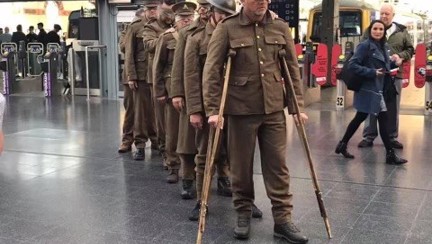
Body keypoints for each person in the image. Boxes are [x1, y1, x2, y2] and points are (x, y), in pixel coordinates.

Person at [203, 0, 308, 242]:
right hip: (240, 109)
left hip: (273, 109)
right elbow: (212, 70)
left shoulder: (280, 27)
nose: (261, 1)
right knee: (241, 166)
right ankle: (243, 212)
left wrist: (297, 106)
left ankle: (283, 220)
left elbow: (291, 68)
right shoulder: (227, 28)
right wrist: (213, 109)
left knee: (278, 167)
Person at [184, 0, 235, 221]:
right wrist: (195, 110)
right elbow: (191, 77)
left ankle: (245, 201)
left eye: (228, 15)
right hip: (208, 107)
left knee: (238, 156)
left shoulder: (239, 36)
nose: (224, 19)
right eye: (221, 14)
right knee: (205, 156)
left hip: (236, 107)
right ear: (212, 13)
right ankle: (201, 201)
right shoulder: (196, 39)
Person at [335, 20, 407, 165]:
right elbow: (353, 64)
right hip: (369, 89)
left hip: (378, 88)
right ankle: (390, 155)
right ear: (370, 30)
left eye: (381, 29)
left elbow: (383, 65)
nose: (378, 31)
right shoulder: (364, 46)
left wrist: (394, 63)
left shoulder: (383, 46)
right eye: (375, 28)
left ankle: (342, 145)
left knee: (360, 117)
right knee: (382, 119)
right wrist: (372, 72)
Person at [358, 3, 414, 150]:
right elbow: (361, 48)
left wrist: (401, 56)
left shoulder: (402, 32)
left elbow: (410, 49)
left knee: (392, 106)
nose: (383, 16)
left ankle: (391, 137)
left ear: (393, 15)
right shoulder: (371, 30)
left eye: (387, 14)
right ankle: (368, 136)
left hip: (395, 75)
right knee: (371, 104)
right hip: (374, 75)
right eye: (381, 13)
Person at [170, 0, 210, 199]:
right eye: (201, 6)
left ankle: (223, 177)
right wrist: (177, 92)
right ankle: (187, 178)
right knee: (187, 141)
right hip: (191, 92)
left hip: (216, 94)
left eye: (207, 6)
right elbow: (179, 65)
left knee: (223, 144)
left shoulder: (224, 27)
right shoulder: (188, 32)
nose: (203, 9)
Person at [153, 1, 196, 183]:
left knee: (193, 132)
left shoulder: (197, 36)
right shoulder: (167, 38)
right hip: (172, 91)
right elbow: (158, 67)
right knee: (173, 131)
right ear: (175, 20)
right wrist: (160, 91)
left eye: (189, 18)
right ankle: (173, 165)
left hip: (193, 91)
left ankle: (193, 166)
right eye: (182, 18)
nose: (186, 22)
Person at [124, 0, 159, 160]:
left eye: (155, 9)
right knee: (140, 113)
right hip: (142, 75)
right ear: (145, 10)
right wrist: (131, 76)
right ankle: (139, 145)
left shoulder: (163, 25)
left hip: (158, 75)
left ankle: (157, 140)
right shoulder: (136, 26)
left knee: (156, 112)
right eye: (150, 9)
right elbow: (129, 53)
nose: (152, 12)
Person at [142, 0, 175, 163]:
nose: (169, 17)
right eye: (166, 13)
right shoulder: (151, 27)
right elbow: (148, 45)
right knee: (161, 119)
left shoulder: (178, 25)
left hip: (176, 78)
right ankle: (164, 149)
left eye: (171, 14)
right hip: (158, 78)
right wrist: (167, 36)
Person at [118, 8, 147, 154]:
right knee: (130, 110)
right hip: (131, 76)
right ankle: (127, 140)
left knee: (147, 110)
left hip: (145, 75)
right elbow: (124, 48)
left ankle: (153, 138)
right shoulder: (129, 30)